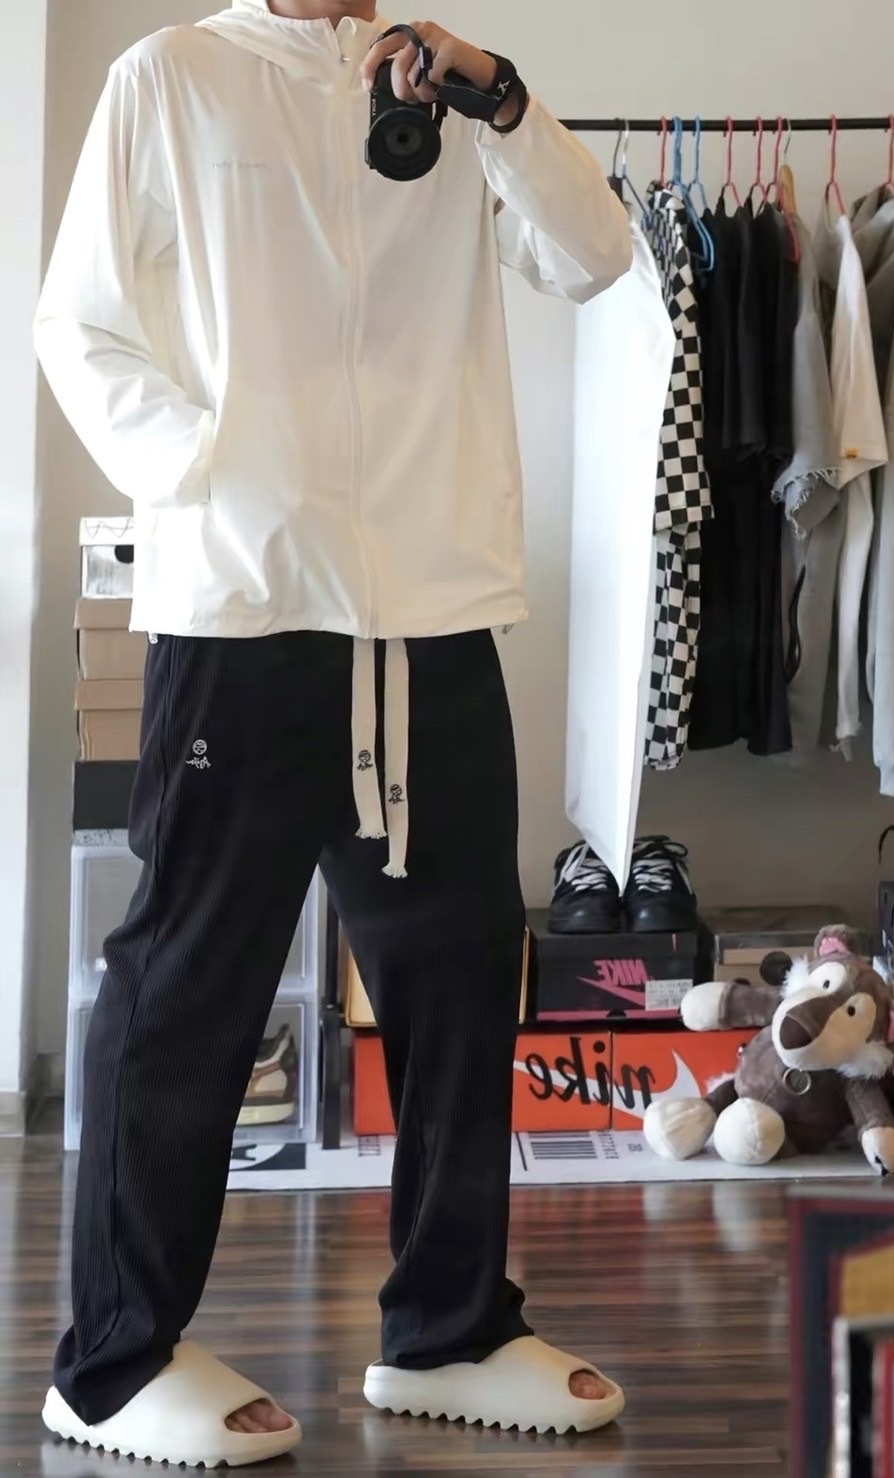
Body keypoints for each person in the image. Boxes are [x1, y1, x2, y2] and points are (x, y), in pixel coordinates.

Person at [35, 1, 632, 1467]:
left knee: (457, 980)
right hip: (240, 610)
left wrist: (500, 101)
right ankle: (112, 1363)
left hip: (431, 608)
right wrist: (210, 471)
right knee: (188, 984)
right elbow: (78, 322)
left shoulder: (444, 91)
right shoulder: (173, 76)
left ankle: (451, 1328)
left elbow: (594, 254)